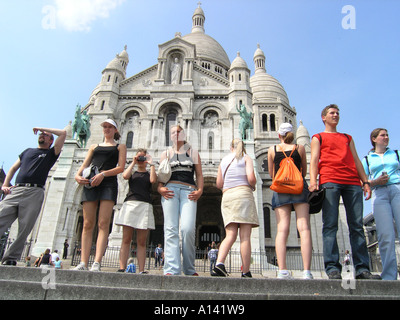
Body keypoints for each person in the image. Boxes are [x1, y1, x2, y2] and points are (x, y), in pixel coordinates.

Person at [309, 104, 381, 280]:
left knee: (356, 226)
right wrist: (313, 181)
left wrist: (365, 182)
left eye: (337, 113)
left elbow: (356, 160)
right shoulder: (317, 137)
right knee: (330, 225)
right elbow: (314, 161)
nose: (335, 115)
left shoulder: (347, 137)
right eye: (332, 113)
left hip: (352, 182)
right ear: (323, 117)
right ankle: (333, 267)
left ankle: (363, 269)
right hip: (330, 181)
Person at [0, 127, 66, 265]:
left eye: (45, 135)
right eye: (41, 134)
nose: (42, 135)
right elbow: (13, 169)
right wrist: (5, 185)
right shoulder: (27, 151)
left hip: (35, 192)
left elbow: (63, 133)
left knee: (25, 228)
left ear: (51, 140)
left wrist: (42, 128)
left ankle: (10, 258)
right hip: (16, 189)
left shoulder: (51, 154)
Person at [74, 119, 127, 271]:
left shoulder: (120, 147)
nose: (107, 129)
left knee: (103, 224)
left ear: (115, 130)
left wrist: (103, 174)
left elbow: (121, 168)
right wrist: (78, 176)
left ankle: (97, 262)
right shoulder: (93, 146)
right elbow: (85, 164)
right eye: (105, 126)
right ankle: (83, 262)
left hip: (108, 184)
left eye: (110, 127)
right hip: (91, 182)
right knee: (87, 224)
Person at [267, 123, 313, 279]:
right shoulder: (300, 148)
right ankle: (306, 271)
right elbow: (304, 171)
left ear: (279, 135)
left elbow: (272, 174)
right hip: (299, 188)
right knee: (304, 228)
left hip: (281, 190)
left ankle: (282, 271)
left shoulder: (272, 150)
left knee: (282, 230)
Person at [157, 125, 204, 276]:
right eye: (173, 132)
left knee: (188, 229)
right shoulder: (165, 153)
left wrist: (200, 190)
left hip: (189, 191)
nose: (176, 134)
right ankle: (171, 269)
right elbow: (161, 176)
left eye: (178, 131)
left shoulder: (193, 153)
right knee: (170, 229)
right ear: (170, 136)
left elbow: (200, 175)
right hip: (170, 190)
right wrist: (160, 188)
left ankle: (189, 269)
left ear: (183, 134)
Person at [213, 138, 259, 278]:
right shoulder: (246, 158)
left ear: (230, 147)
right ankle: (245, 271)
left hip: (227, 196)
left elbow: (219, 183)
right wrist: (253, 185)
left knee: (230, 235)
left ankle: (219, 263)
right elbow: (251, 178)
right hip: (243, 194)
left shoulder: (224, 160)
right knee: (245, 237)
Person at [362, 128, 400, 280]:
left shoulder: (395, 154)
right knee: (385, 235)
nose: (386, 137)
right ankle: (390, 276)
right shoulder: (367, 159)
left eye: (387, 135)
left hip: (397, 189)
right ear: (374, 139)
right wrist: (374, 182)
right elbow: (362, 181)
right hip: (379, 193)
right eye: (382, 135)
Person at [115, 148, 156, 274]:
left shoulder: (149, 174)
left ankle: (142, 269)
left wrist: (151, 163)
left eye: (143, 157)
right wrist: (132, 163)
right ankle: (122, 268)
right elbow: (125, 175)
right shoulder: (132, 173)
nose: (141, 160)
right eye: (139, 157)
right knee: (126, 239)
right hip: (130, 204)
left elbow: (153, 181)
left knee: (141, 242)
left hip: (144, 205)